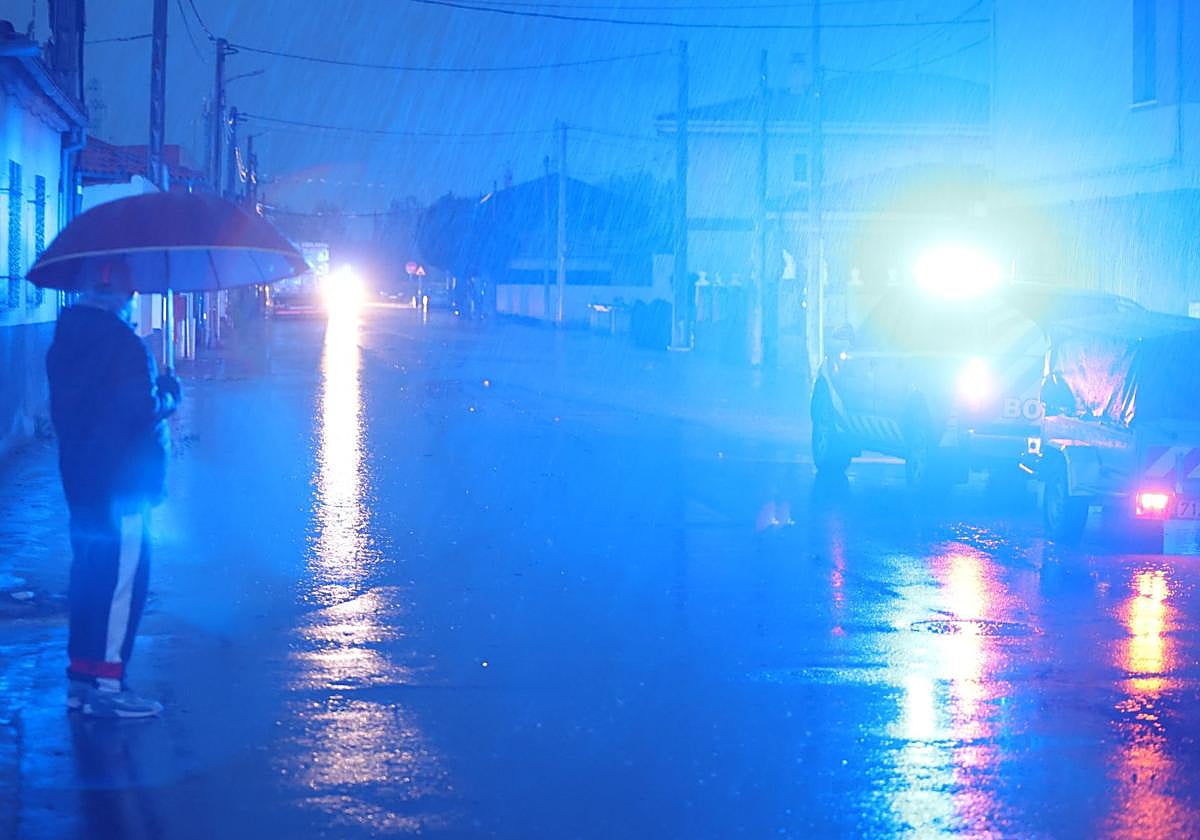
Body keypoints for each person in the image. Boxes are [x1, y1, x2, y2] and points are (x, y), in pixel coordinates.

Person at [46, 259, 181, 718]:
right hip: (124, 485)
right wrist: (169, 393)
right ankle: (107, 685)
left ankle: (80, 680)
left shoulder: (64, 342)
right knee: (123, 582)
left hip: (82, 481)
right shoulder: (125, 345)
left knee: (88, 577)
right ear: (124, 294)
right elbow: (138, 411)